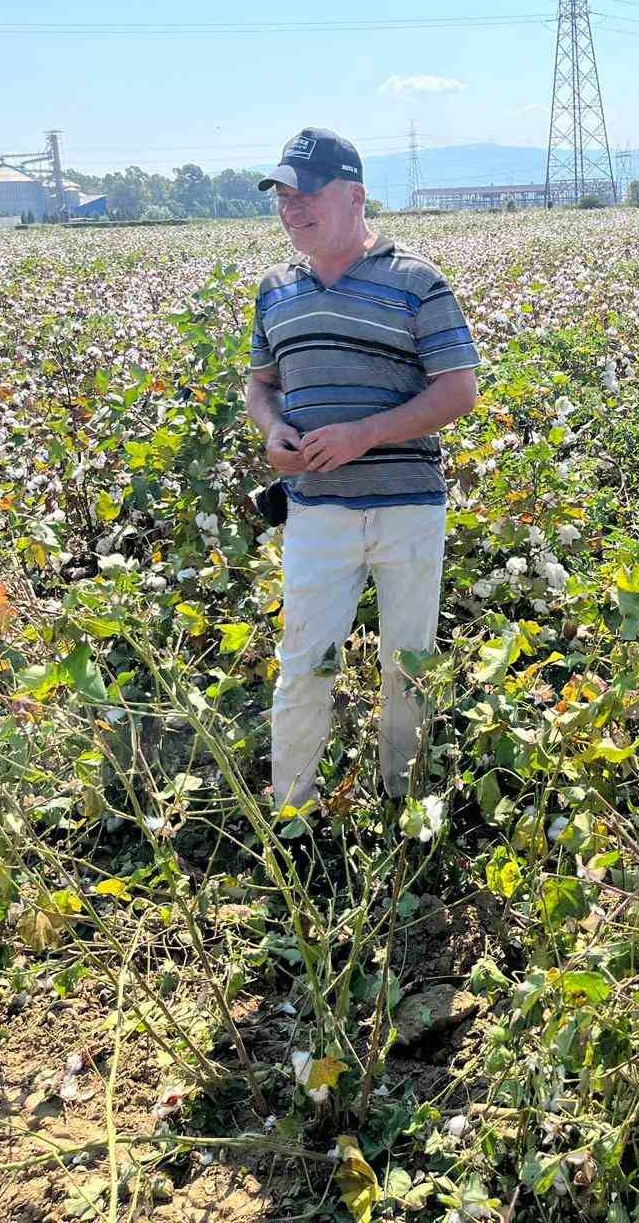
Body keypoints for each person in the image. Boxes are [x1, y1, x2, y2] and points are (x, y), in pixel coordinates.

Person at [246, 128, 479, 809]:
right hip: (316, 509)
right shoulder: (275, 291)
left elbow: (459, 390)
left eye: (306, 194)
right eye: (283, 198)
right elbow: (261, 385)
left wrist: (364, 435)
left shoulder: (416, 280)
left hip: (407, 505)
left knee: (407, 664)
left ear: (354, 196)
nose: (292, 209)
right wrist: (273, 429)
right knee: (303, 663)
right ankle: (292, 812)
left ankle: (406, 808)